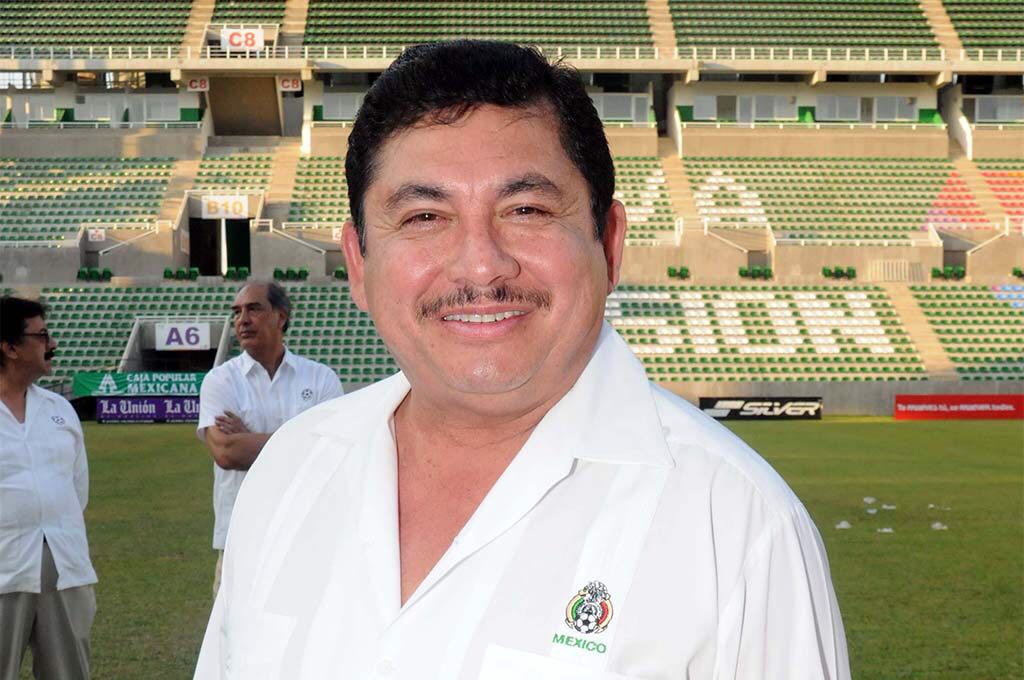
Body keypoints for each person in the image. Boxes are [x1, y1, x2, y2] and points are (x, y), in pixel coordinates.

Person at [195, 41, 850, 679]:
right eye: (424, 217)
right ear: (359, 265)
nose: (481, 265)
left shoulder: (736, 525)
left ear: (609, 245)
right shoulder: (287, 474)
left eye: (527, 209)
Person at [196, 281, 343, 595]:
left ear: (281, 317)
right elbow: (226, 453)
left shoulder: (320, 378)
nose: (242, 320)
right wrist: (304, 441)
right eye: (237, 312)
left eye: (254, 309)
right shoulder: (220, 381)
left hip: (305, 533)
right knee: (236, 627)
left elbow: (330, 454)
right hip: (241, 536)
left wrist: (248, 438)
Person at [0, 296, 96, 680]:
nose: (52, 344)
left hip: (64, 566)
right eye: (41, 336)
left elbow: (77, 488)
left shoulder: (60, 409)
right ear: (9, 347)